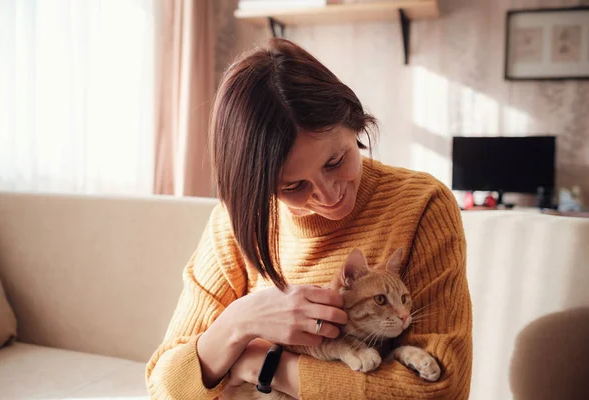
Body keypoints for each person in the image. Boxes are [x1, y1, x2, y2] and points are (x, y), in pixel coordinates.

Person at [145, 38, 472, 399]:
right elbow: (165, 386)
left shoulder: (422, 205)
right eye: (294, 185)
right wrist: (241, 320)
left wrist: (263, 366)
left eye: (336, 161)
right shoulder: (236, 223)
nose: (329, 195)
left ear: (355, 124)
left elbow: (441, 391)